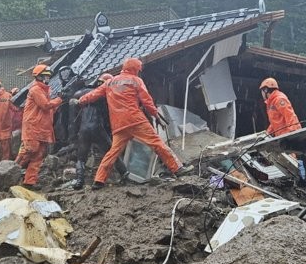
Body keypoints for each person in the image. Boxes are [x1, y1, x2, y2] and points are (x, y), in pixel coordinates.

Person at [79, 57, 191, 190]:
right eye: (138, 69)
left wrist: (80, 100)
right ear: (135, 69)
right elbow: (147, 101)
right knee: (157, 143)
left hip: (119, 125)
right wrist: (156, 115)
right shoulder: (136, 80)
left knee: (112, 152)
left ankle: (99, 180)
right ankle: (177, 168)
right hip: (136, 121)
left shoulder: (109, 83)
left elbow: (91, 95)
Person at [66, 73, 129, 189]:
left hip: (84, 129)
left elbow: (76, 96)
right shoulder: (108, 95)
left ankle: (79, 181)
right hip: (98, 128)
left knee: (81, 157)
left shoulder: (87, 93)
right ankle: (125, 175)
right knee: (112, 152)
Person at [15, 63, 63, 188]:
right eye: (45, 76)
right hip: (33, 128)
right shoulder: (36, 89)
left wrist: (59, 102)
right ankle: (10, 176)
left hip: (42, 128)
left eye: (48, 76)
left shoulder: (45, 91)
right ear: (39, 76)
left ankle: (29, 182)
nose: (47, 78)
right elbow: (45, 105)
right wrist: (59, 99)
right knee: (28, 152)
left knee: (38, 156)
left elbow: (50, 109)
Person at [259, 77, 306, 181]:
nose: (261, 94)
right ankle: (293, 179)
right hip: (281, 136)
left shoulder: (279, 99)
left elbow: (290, 116)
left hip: (287, 136)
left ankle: (301, 181)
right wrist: (267, 133)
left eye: (262, 91)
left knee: (292, 158)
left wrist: (292, 135)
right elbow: (275, 121)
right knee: (285, 159)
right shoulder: (271, 102)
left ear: (266, 90)